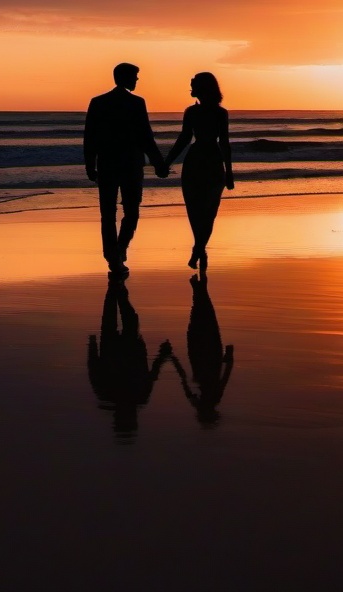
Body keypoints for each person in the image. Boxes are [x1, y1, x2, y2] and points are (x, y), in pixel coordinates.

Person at [83, 62, 168, 276]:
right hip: (130, 164)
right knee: (131, 211)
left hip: (107, 164)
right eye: (135, 76)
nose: (137, 80)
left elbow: (90, 138)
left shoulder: (98, 102)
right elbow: (146, 137)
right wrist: (159, 163)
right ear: (126, 78)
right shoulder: (137, 103)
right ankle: (119, 250)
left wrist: (89, 163)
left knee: (108, 213)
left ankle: (113, 255)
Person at [163, 72, 234, 272]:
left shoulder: (220, 113)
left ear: (203, 88)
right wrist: (167, 161)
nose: (191, 88)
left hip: (208, 161)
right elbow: (184, 139)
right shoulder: (191, 112)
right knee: (195, 211)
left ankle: (198, 248)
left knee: (208, 211)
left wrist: (229, 172)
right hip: (200, 161)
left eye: (193, 85)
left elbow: (225, 143)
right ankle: (200, 249)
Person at [87, 279, 172, 442]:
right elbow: (152, 375)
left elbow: (94, 370)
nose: (130, 416)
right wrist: (163, 354)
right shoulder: (140, 396)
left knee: (114, 311)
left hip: (112, 348)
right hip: (131, 347)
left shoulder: (106, 396)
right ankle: (119, 286)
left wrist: (92, 345)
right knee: (129, 318)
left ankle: (116, 284)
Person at [168, 274, 234, 428]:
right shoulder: (212, 397)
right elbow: (224, 377)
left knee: (203, 319)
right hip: (208, 356)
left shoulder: (202, 399)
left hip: (202, 355)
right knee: (204, 319)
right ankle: (199, 289)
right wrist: (229, 357)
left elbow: (183, 379)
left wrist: (171, 357)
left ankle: (199, 290)